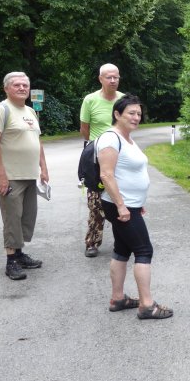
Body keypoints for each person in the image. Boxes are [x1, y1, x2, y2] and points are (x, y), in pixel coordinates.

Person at [97, 94, 173, 320]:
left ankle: (118, 298)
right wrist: (122, 206)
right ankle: (147, 305)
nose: (136, 117)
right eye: (131, 113)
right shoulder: (110, 138)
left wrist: (135, 203)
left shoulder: (127, 138)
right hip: (120, 205)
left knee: (122, 249)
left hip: (129, 204)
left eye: (139, 113)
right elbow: (106, 174)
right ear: (117, 114)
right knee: (143, 250)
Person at [0, 72, 49, 281]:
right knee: (12, 218)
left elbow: (36, 142)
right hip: (10, 177)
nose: (22, 88)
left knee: (27, 217)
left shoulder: (30, 110)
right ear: (6, 88)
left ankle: (20, 255)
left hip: (30, 175)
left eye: (25, 85)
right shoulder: (0, 110)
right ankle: (11, 261)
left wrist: (44, 168)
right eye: (17, 85)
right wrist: (2, 176)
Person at [79, 63, 124, 257]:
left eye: (116, 77)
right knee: (96, 202)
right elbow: (84, 129)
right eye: (109, 77)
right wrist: (97, 146)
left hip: (120, 156)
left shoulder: (124, 99)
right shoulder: (90, 100)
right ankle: (92, 242)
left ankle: (124, 240)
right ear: (100, 79)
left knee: (122, 199)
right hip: (97, 158)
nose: (113, 80)